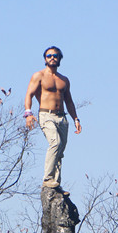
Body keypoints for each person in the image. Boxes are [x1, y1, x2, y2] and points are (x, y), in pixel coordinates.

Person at [24, 46, 82, 193]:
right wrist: (28, 113)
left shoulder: (64, 80)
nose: (52, 58)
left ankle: (55, 184)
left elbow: (69, 101)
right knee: (55, 143)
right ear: (45, 58)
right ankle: (47, 179)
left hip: (62, 117)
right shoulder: (39, 76)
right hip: (46, 114)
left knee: (60, 150)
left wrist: (76, 118)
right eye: (49, 55)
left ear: (59, 58)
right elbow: (29, 94)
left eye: (55, 56)